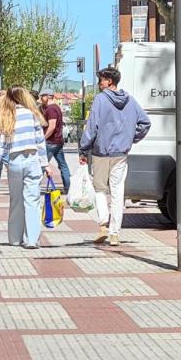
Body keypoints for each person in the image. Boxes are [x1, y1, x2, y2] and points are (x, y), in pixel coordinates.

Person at [78, 67, 151, 246]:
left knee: (100, 188)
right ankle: (115, 233)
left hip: (101, 152)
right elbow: (145, 122)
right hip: (121, 153)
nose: (99, 83)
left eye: (101, 80)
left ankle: (103, 223)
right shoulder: (130, 100)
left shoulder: (100, 100)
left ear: (109, 81)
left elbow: (92, 126)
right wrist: (130, 139)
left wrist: (83, 149)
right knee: (118, 192)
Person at [0, 86, 50, 250]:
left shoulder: (6, 116)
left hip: (14, 161)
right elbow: (40, 142)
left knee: (16, 201)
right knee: (32, 200)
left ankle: (15, 238)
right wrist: (46, 164)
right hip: (32, 160)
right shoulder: (33, 114)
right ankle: (32, 239)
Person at [39, 89, 71, 193]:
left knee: (42, 164)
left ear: (48, 96)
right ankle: (67, 187)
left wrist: (43, 138)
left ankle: (34, 186)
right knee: (63, 165)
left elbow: (52, 126)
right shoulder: (56, 107)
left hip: (51, 142)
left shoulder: (51, 109)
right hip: (58, 141)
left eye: (42, 96)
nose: (40, 98)